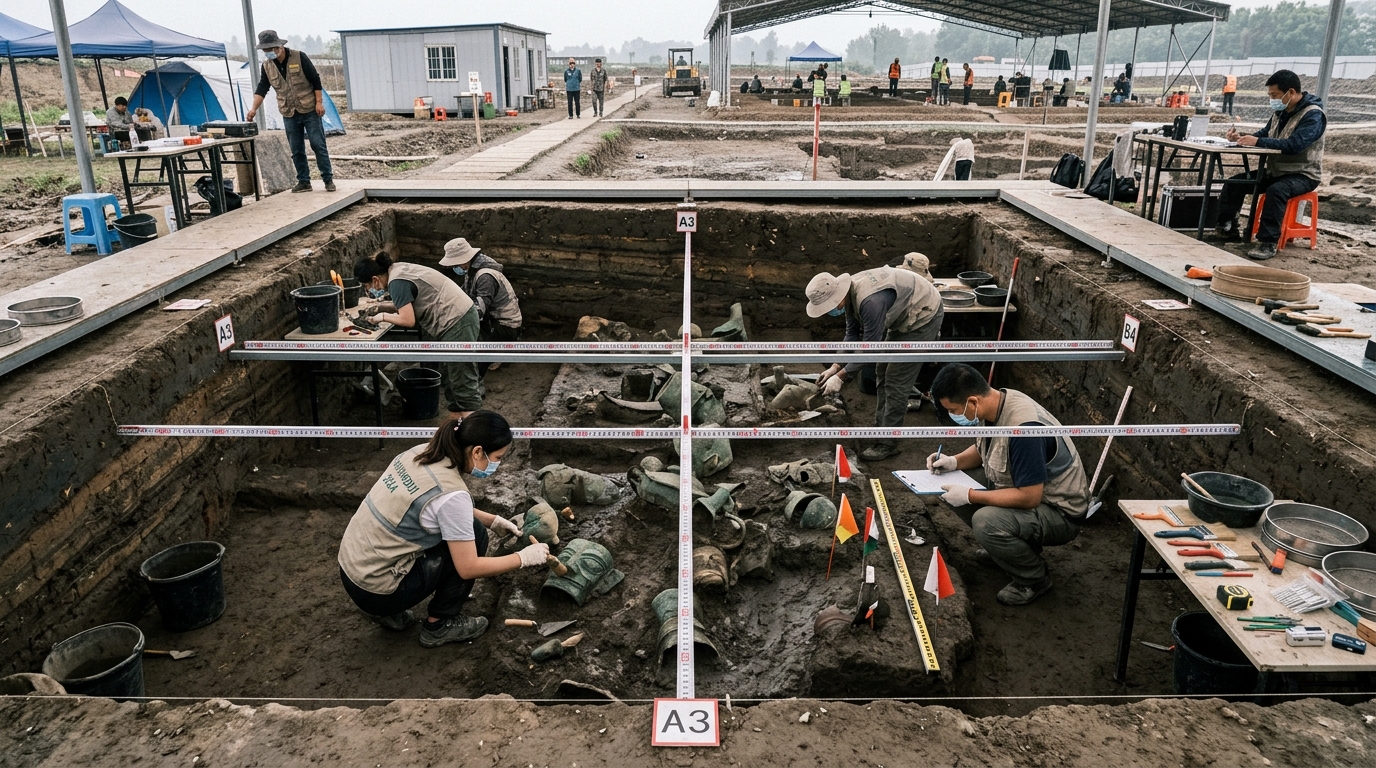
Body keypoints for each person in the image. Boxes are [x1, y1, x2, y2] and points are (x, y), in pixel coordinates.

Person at [339, 411, 550, 647]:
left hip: (352, 570)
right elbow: (469, 567)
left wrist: (492, 520)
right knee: (475, 534)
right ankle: (439, 623)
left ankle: (387, 612)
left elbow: (433, 505)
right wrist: (522, 558)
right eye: (498, 458)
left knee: (471, 527)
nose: (497, 465)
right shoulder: (454, 496)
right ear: (478, 451)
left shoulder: (421, 453)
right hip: (376, 591)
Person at [926, 363, 1089, 606]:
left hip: (1059, 511)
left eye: (954, 409)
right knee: (947, 484)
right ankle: (1009, 551)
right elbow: (986, 449)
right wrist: (953, 462)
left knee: (985, 522)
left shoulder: (1023, 431)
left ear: (972, 402)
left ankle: (1033, 579)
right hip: (1031, 494)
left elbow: (1029, 497)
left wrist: (971, 495)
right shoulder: (994, 404)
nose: (953, 415)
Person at [806, 264, 944, 462]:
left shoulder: (870, 302)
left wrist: (842, 377)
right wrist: (835, 366)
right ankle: (882, 427)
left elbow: (869, 349)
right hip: (903, 312)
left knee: (896, 379)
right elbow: (851, 335)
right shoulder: (848, 292)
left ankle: (888, 442)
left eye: (827, 306)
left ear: (836, 297)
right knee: (882, 370)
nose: (828, 311)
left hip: (923, 314)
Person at [355, 250, 482, 419]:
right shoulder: (397, 270)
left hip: (457, 320)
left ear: (375, 279)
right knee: (449, 376)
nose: (369, 290)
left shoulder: (396, 282)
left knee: (461, 377)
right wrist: (382, 307)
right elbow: (407, 302)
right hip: (456, 317)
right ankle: (457, 425)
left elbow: (408, 320)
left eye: (367, 286)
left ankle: (475, 429)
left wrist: (382, 317)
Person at [1217, 70, 1325, 260]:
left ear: (1290, 92)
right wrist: (1242, 137)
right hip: (1276, 170)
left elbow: (1294, 145)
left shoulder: (1313, 116)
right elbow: (1265, 134)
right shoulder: (1280, 112)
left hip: (1303, 174)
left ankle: (1268, 242)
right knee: (1235, 182)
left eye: (1274, 95)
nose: (1272, 99)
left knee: (1277, 191)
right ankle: (1227, 226)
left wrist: (1257, 142)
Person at [246, 30, 334, 193]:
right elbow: (262, 88)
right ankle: (304, 181)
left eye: (271, 49)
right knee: (296, 149)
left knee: (318, 144)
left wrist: (319, 103)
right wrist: (253, 109)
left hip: (309, 109)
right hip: (289, 112)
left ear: (279, 46)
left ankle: (328, 179)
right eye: (265, 51)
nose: (269, 53)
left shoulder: (299, 57)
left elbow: (315, 80)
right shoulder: (267, 66)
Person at [440, 238, 522, 376]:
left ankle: (477, 377)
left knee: (475, 352)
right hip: (493, 320)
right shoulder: (471, 271)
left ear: (464, 260)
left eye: (454, 263)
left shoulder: (485, 277)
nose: (453, 267)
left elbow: (478, 311)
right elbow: (464, 294)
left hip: (505, 325)